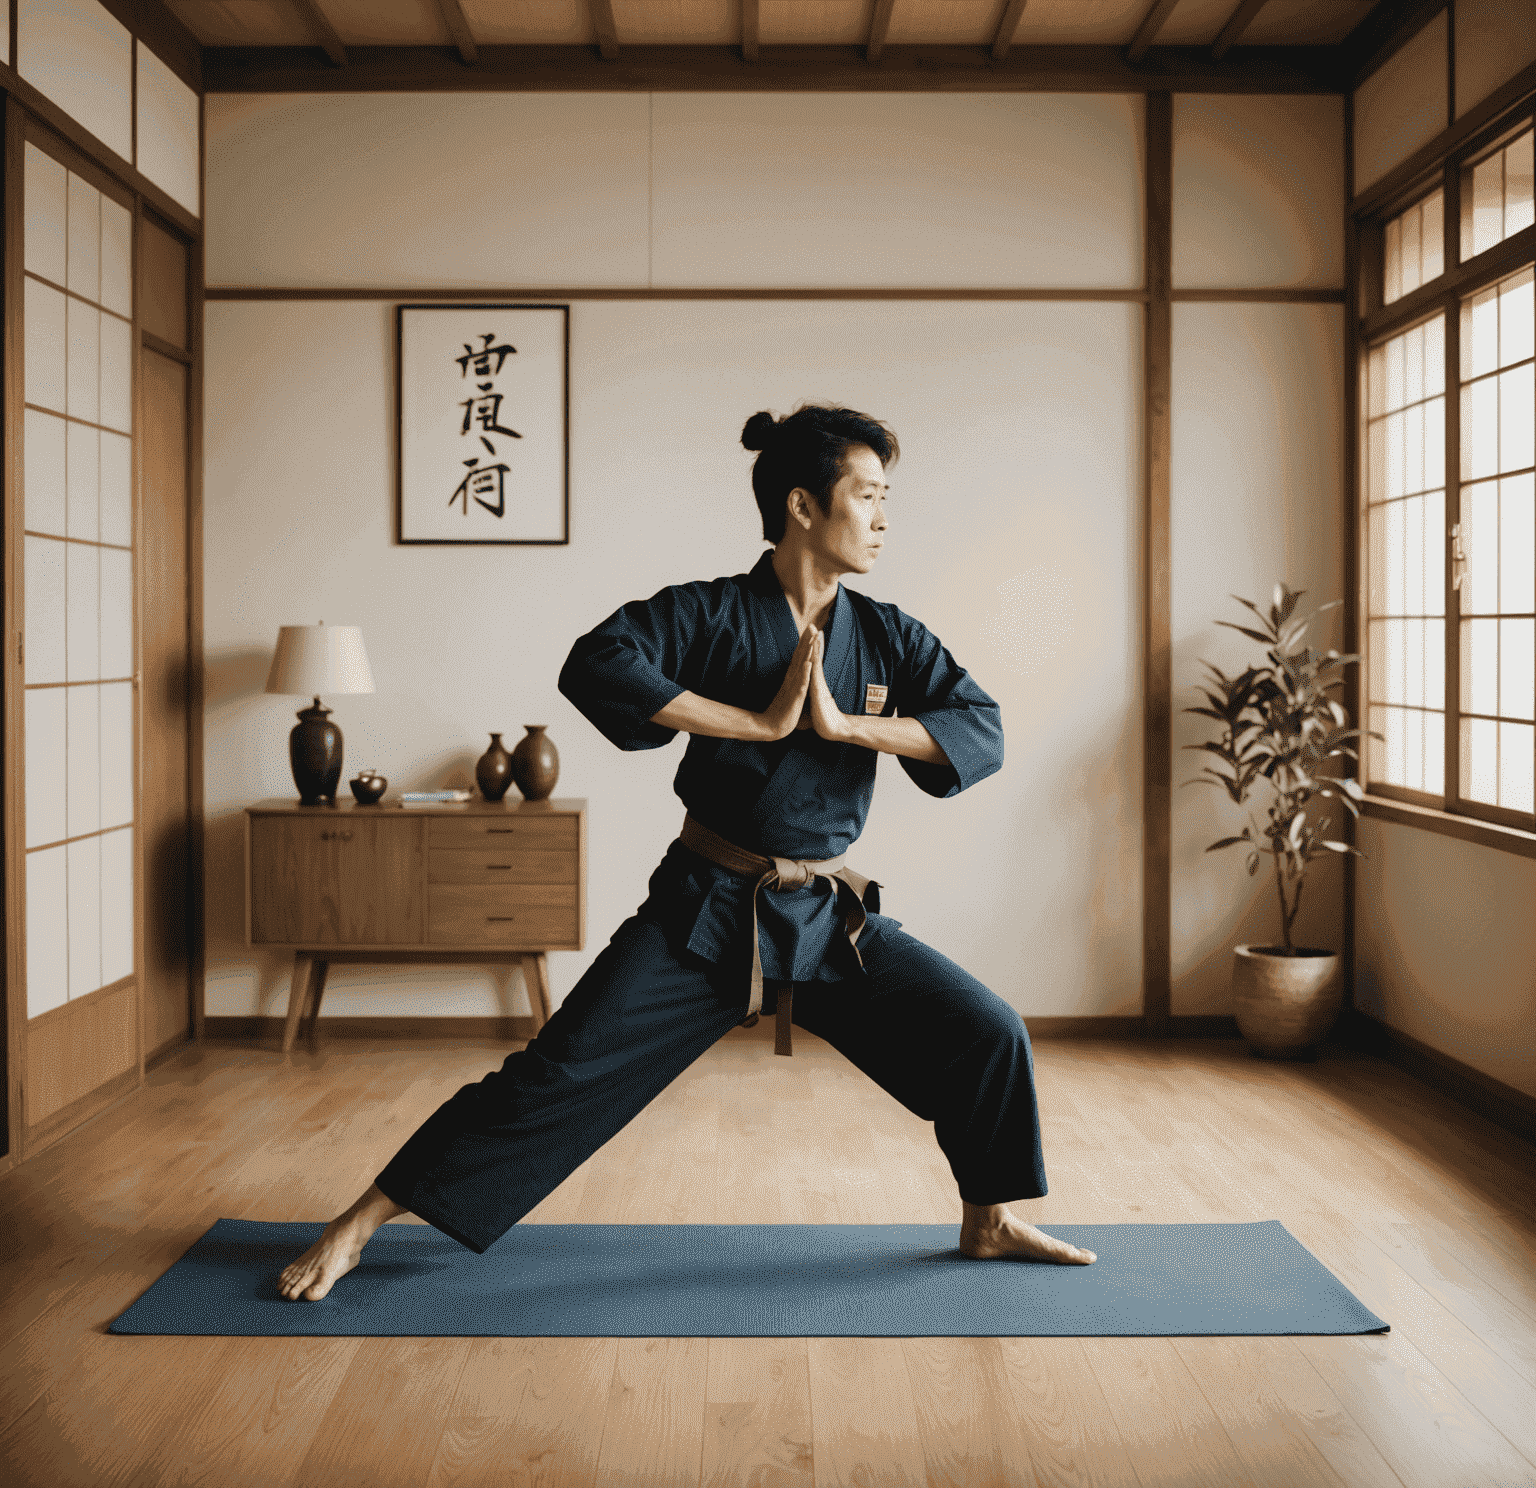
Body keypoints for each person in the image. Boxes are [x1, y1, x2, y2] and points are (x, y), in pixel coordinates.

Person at [279, 403, 1094, 1302]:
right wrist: (753, 719)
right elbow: (596, 662)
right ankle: (357, 1221)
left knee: (986, 1031)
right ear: (802, 506)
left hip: (823, 918)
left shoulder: (889, 634)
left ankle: (988, 1220)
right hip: (705, 909)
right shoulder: (710, 614)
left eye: (886, 497)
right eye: (867, 496)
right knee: (557, 1074)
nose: (884, 517)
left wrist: (846, 724)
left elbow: (980, 726)